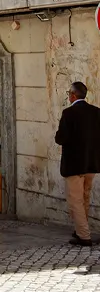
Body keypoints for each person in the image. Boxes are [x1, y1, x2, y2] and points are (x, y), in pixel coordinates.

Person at [55, 81, 100, 246]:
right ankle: (81, 229)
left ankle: (84, 235)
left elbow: (61, 138)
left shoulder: (68, 113)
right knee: (84, 197)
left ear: (73, 95)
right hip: (91, 163)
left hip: (75, 165)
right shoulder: (96, 112)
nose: (68, 96)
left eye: (69, 93)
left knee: (76, 200)